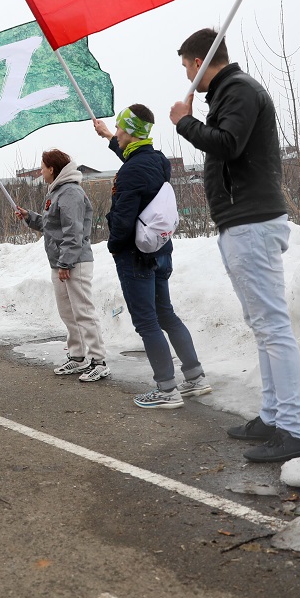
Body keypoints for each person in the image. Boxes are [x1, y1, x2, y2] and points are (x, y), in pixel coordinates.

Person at [171, 28, 300, 463]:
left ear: (198, 63)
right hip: (241, 221)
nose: (186, 77)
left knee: (272, 325)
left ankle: (293, 428)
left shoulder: (239, 91)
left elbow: (229, 145)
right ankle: (272, 417)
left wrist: (185, 123)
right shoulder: (230, 93)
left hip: (252, 221)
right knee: (262, 326)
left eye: (185, 67)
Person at [95, 106, 210, 409]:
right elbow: (136, 163)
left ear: (131, 131)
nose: (117, 133)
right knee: (166, 315)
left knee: (146, 322)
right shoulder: (157, 161)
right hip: (160, 252)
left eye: (119, 129)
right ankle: (195, 377)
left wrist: (114, 246)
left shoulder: (132, 171)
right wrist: (108, 137)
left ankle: (166, 389)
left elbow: (122, 220)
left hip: (135, 257)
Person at [14, 148, 108, 382]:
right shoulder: (56, 193)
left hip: (74, 262)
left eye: (43, 167)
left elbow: (73, 231)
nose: (41, 171)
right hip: (60, 263)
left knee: (83, 312)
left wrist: (66, 262)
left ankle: (99, 360)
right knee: (68, 313)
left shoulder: (70, 193)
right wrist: (29, 217)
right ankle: (77, 357)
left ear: (52, 169)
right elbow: (52, 226)